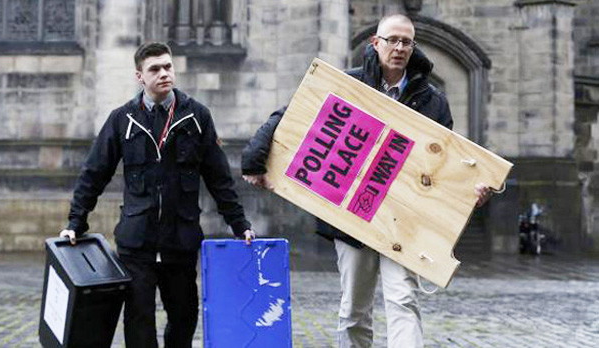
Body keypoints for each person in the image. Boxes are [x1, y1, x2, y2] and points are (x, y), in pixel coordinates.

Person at [242, 14, 492, 348]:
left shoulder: (433, 101)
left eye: (407, 42)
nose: (400, 48)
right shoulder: (350, 84)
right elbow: (288, 115)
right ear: (376, 42)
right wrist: (254, 160)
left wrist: (470, 192)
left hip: (403, 221)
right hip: (352, 218)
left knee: (404, 301)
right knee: (354, 310)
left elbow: (445, 164)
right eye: (393, 40)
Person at [59, 42, 254, 348]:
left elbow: (219, 179)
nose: (164, 73)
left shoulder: (197, 116)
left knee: (184, 316)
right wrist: (75, 220)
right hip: (137, 242)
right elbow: (94, 173)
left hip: (181, 238)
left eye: (167, 67)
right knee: (138, 319)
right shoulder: (122, 119)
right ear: (140, 76)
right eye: (155, 69)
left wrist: (239, 224)